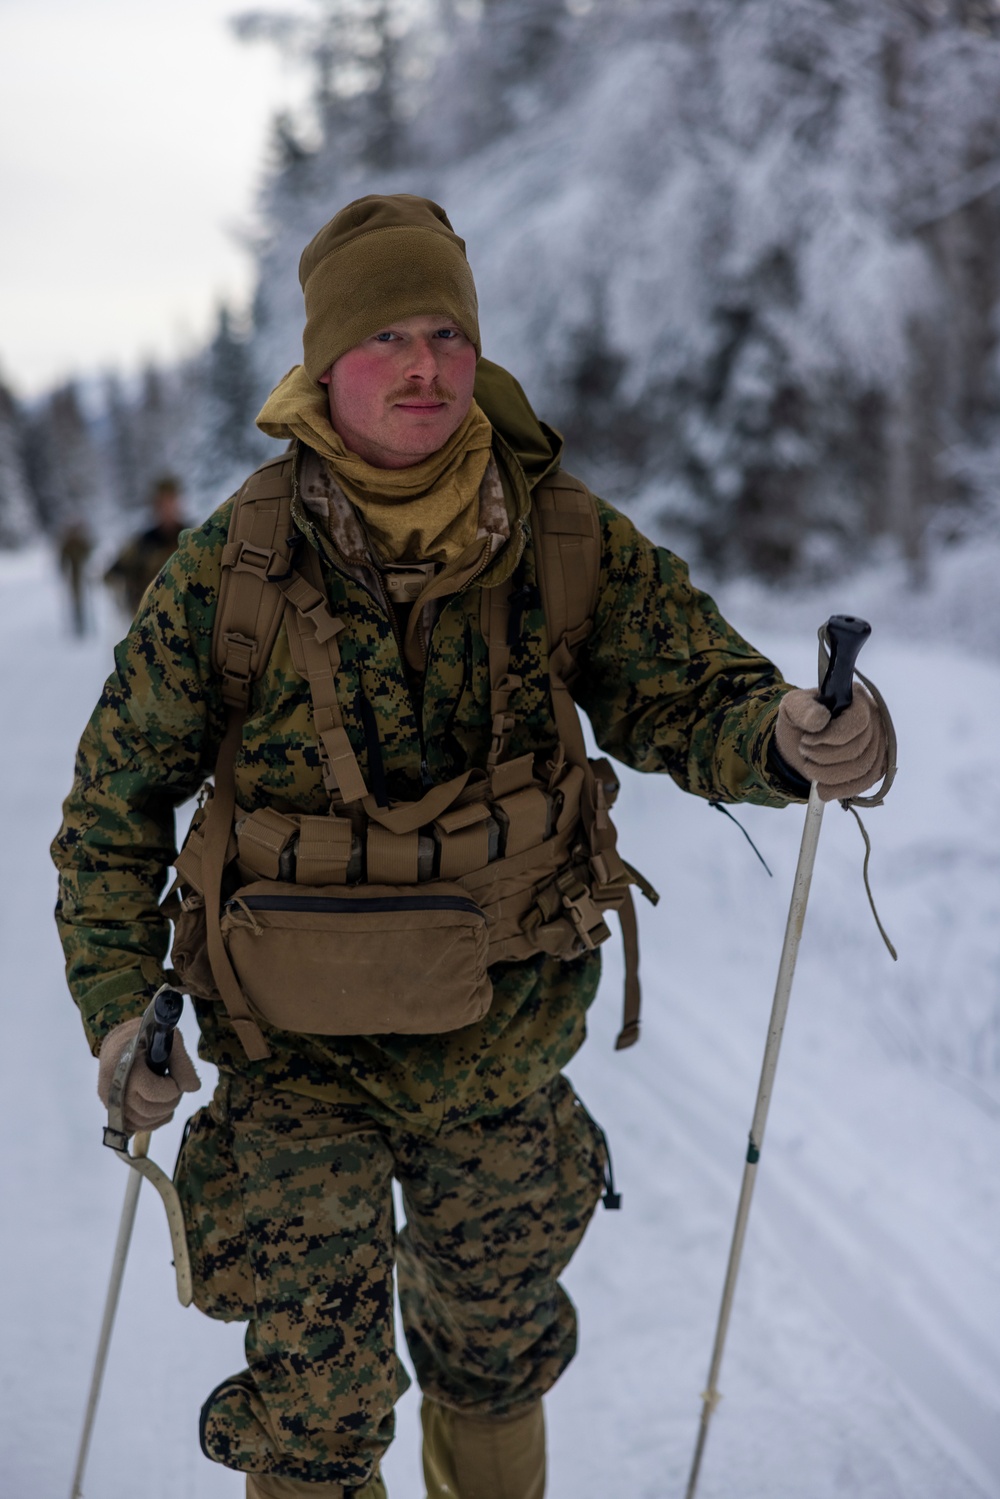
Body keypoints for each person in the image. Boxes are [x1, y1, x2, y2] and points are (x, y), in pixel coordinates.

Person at [52, 194, 888, 1499]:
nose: (428, 364)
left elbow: (692, 691)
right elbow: (114, 807)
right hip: (291, 1063)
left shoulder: (559, 535)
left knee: (496, 1353)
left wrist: (793, 733)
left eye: (447, 330)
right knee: (315, 1404)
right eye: (389, 335)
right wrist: (118, 1016)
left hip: (502, 1045)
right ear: (326, 365)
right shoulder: (237, 566)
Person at [103, 473, 186, 617]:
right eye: (162, 504)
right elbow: (111, 574)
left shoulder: (191, 539)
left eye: (171, 501)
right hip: (150, 625)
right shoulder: (142, 544)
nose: (167, 509)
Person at [57, 516, 94, 636]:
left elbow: (89, 551)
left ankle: (83, 622)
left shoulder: (80, 541)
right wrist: (63, 570)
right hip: (74, 575)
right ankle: (78, 623)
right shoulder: (68, 543)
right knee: (76, 599)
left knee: (83, 598)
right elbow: (62, 558)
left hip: (83, 572)